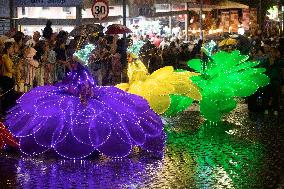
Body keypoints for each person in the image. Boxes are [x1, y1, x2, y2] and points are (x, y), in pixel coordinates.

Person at [0, 42, 15, 113]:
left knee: (11, 96)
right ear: (8, 49)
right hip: (6, 79)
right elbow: (9, 69)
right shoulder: (5, 56)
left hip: (10, 78)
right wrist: (17, 70)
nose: (13, 49)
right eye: (12, 48)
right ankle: (5, 112)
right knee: (7, 96)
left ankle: (9, 111)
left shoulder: (9, 57)